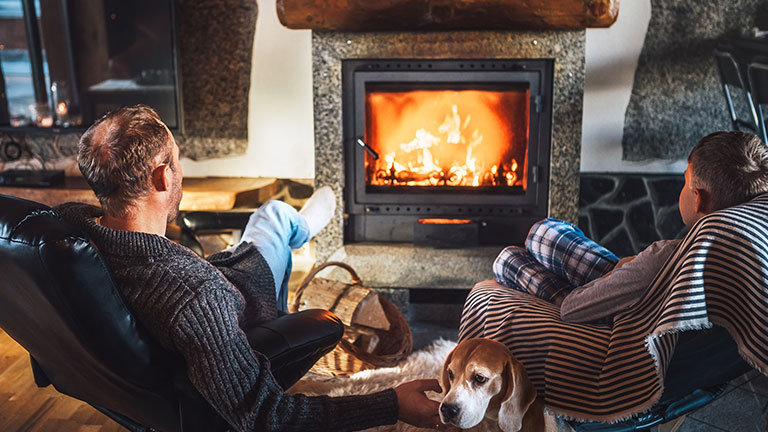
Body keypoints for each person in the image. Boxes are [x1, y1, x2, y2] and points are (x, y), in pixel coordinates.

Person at [55, 105, 444, 432]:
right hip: (245, 305)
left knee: (269, 217)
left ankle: (299, 227)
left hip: (214, 281)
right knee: (272, 217)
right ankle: (299, 230)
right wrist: (391, 404)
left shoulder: (66, 229)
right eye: (177, 160)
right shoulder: (193, 297)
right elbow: (263, 415)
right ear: (162, 176)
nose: (180, 171)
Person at [493, 131, 768, 323]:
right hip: (639, 287)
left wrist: (619, 276)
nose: (681, 188)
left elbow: (572, 310)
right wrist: (626, 268)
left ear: (699, 200)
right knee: (542, 233)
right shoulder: (746, 247)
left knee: (510, 257)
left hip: (612, 310)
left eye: (685, 181)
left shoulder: (663, 259)